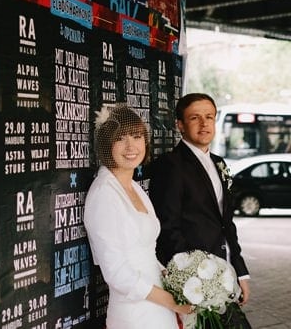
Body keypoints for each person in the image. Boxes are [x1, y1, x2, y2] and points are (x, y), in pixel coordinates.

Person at [83, 103, 194, 328]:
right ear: (107, 144)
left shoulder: (134, 187)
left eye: (137, 136)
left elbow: (146, 253)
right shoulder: (104, 192)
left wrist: (181, 285)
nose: (131, 146)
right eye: (120, 138)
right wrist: (171, 302)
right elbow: (116, 273)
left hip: (158, 303)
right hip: (134, 312)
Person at [148, 93, 252, 319]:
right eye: (195, 118)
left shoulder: (219, 163)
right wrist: (190, 276)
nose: (204, 124)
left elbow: (227, 224)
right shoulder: (170, 165)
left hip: (225, 275)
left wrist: (241, 272)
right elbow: (167, 227)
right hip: (195, 283)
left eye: (209, 117)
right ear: (180, 125)